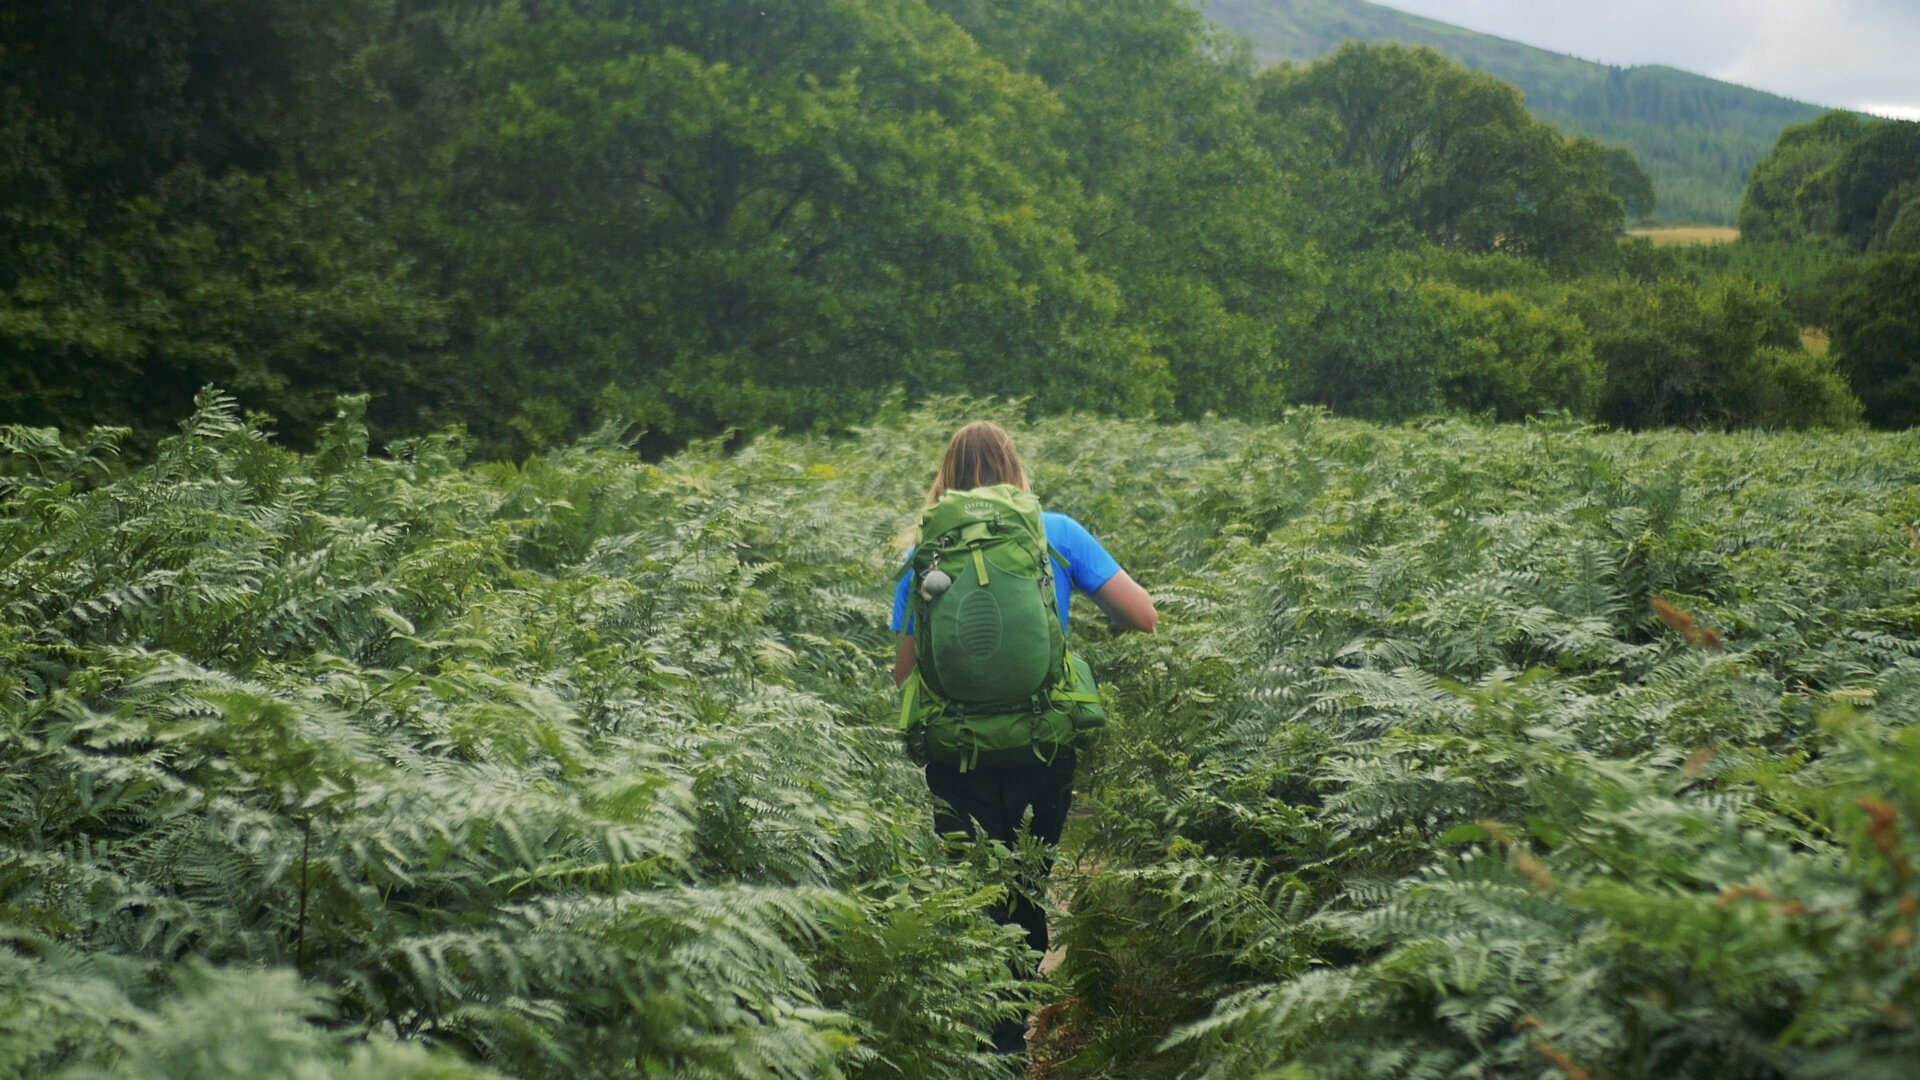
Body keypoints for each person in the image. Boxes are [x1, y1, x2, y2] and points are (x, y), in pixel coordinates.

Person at [890, 420, 1156, 1056]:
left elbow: (905, 674)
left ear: (946, 476)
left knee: (979, 891)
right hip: (1043, 744)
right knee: (1026, 885)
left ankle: (990, 1046)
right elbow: (1144, 616)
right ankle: (1013, 1032)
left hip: (958, 754)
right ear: (1015, 468)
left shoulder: (926, 551)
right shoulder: (1054, 533)